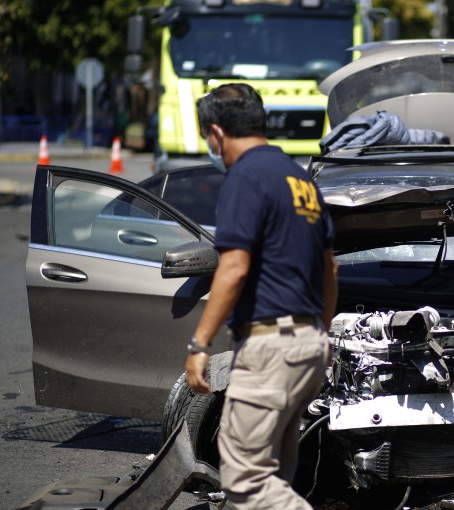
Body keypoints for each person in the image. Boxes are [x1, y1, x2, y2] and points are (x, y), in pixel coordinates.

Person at [184, 83, 337, 509]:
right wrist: (318, 335)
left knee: (247, 481)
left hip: (271, 349)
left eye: (206, 140)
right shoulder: (300, 178)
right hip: (307, 346)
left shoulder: (245, 176)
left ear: (217, 133)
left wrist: (199, 345)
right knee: (275, 479)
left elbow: (233, 267)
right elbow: (330, 268)